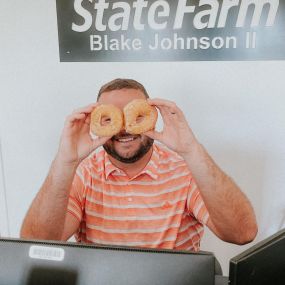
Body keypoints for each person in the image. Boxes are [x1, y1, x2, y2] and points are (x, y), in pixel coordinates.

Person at [21, 78, 257, 251]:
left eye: (134, 117)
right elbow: (36, 244)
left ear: (151, 116)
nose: (123, 128)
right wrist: (65, 161)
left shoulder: (185, 170)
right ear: (95, 122)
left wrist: (191, 150)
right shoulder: (82, 173)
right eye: (111, 118)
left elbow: (241, 233)